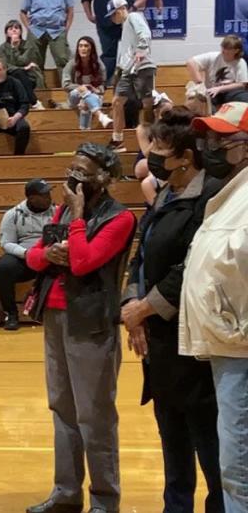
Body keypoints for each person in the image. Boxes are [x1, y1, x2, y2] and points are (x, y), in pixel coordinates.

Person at [120, 108, 224, 513]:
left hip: (196, 341)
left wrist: (146, 307)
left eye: (161, 150)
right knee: (173, 444)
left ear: (185, 156)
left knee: (211, 448)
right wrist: (132, 303)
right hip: (159, 344)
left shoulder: (212, 195)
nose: (153, 158)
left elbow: (195, 264)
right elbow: (141, 255)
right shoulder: (165, 193)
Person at [25, 142, 136, 513]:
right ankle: (66, 493)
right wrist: (49, 254)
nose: (73, 177)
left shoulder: (120, 218)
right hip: (55, 318)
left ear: (103, 180)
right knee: (62, 409)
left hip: (90, 324)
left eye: (83, 172)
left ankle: (105, 501)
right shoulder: (59, 210)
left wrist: (74, 218)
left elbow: (86, 261)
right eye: (71, 168)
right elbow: (36, 257)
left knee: (94, 415)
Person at [180, 101, 248, 513]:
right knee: (234, 464)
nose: (211, 145)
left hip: (241, 349)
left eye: (222, 139)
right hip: (228, 347)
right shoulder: (228, 192)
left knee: (239, 469)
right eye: (209, 137)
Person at [0, 178, 56, 331]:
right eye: (44, 195)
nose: (49, 198)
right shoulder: (12, 214)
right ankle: (11, 314)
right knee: (4, 266)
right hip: (25, 258)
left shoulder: (58, 212)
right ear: (31, 198)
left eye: (49, 193)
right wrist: (26, 253)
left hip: (50, 257)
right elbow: (6, 243)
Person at [107, 0, 157, 152]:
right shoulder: (125, 27)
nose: (113, 18)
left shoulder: (134, 17)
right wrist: (119, 70)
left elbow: (145, 33)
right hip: (129, 70)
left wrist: (142, 49)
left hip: (142, 67)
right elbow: (127, 52)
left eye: (114, 13)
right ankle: (117, 140)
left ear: (122, 9)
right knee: (117, 101)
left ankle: (154, 137)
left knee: (147, 104)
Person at [81, 0, 152, 82]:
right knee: (108, 56)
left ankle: (137, 81)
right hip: (105, 22)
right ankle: (103, 84)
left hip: (127, 19)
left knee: (134, 51)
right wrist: (89, 15)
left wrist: (133, 7)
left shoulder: (134, 18)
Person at [185, 35, 248, 115]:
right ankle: (213, 122)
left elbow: (242, 84)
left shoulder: (240, 62)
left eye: (228, 49)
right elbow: (190, 62)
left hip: (231, 91)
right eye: (223, 47)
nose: (223, 51)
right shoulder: (213, 56)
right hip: (211, 91)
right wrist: (199, 83)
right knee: (203, 100)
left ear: (236, 50)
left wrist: (220, 88)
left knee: (245, 97)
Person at [62, 36, 113, 130]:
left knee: (85, 104)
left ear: (91, 49)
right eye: (80, 46)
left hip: (94, 95)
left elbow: (104, 84)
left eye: (86, 46)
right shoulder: (71, 64)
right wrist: (82, 87)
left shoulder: (98, 64)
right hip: (74, 97)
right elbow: (65, 85)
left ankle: (85, 132)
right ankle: (101, 115)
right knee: (82, 90)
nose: (83, 49)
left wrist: (95, 89)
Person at [20, 0, 75, 71]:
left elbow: (70, 10)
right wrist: (29, 28)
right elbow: (22, 12)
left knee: (62, 60)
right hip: (36, 30)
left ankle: (66, 83)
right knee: (34, 63)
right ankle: (38, 83)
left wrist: (66, 29)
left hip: (57, 31)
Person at [0, 19, 46, 109]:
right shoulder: (2, 48)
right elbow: (5, 66)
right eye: (10, 28)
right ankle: (34, 102)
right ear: (6, 33)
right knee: (18, 73)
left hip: (29, 76)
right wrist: (23, 68)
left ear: (21, 31)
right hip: (10, 76)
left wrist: (14, 48)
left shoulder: (28, 45)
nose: (14, 30)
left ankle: (30, 103)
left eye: (16, 28)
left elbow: (23, 61)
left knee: (19, 74)